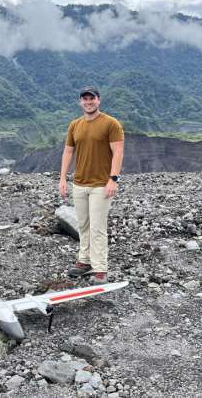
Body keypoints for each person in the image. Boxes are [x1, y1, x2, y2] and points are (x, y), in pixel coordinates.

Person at [59, 86, 125, 285]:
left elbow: (118, 152)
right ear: (80, 102)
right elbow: (68, 152)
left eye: (92, 98)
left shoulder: (111, 124)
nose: (88, 102)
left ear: (99, 100)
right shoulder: (75, 125)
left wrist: (113, 179)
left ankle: (100, 269)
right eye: (85, 99)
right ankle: (84, 261)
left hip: (101, 185)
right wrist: (62, 178)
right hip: (79, 183)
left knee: (98, 227)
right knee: (83, 225)